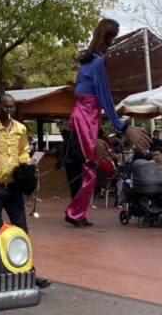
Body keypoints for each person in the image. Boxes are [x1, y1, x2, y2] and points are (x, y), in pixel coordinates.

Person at [64, 19, 151, 228]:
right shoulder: (97, 62)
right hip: (85, 116)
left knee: (89, 168)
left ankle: (77, 213)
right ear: (111, 38)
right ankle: (75, 213)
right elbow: (104, 96)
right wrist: (122, 126)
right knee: (91, 168)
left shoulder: (89, 61)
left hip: (85, 117)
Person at [0, 94, 50, 289]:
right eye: (5, 107)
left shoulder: (21, 129)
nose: (9, 110)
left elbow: (24, 153)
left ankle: (26, 270)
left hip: (13, 188)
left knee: (21, 229)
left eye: (12, 107)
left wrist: (27, 178)